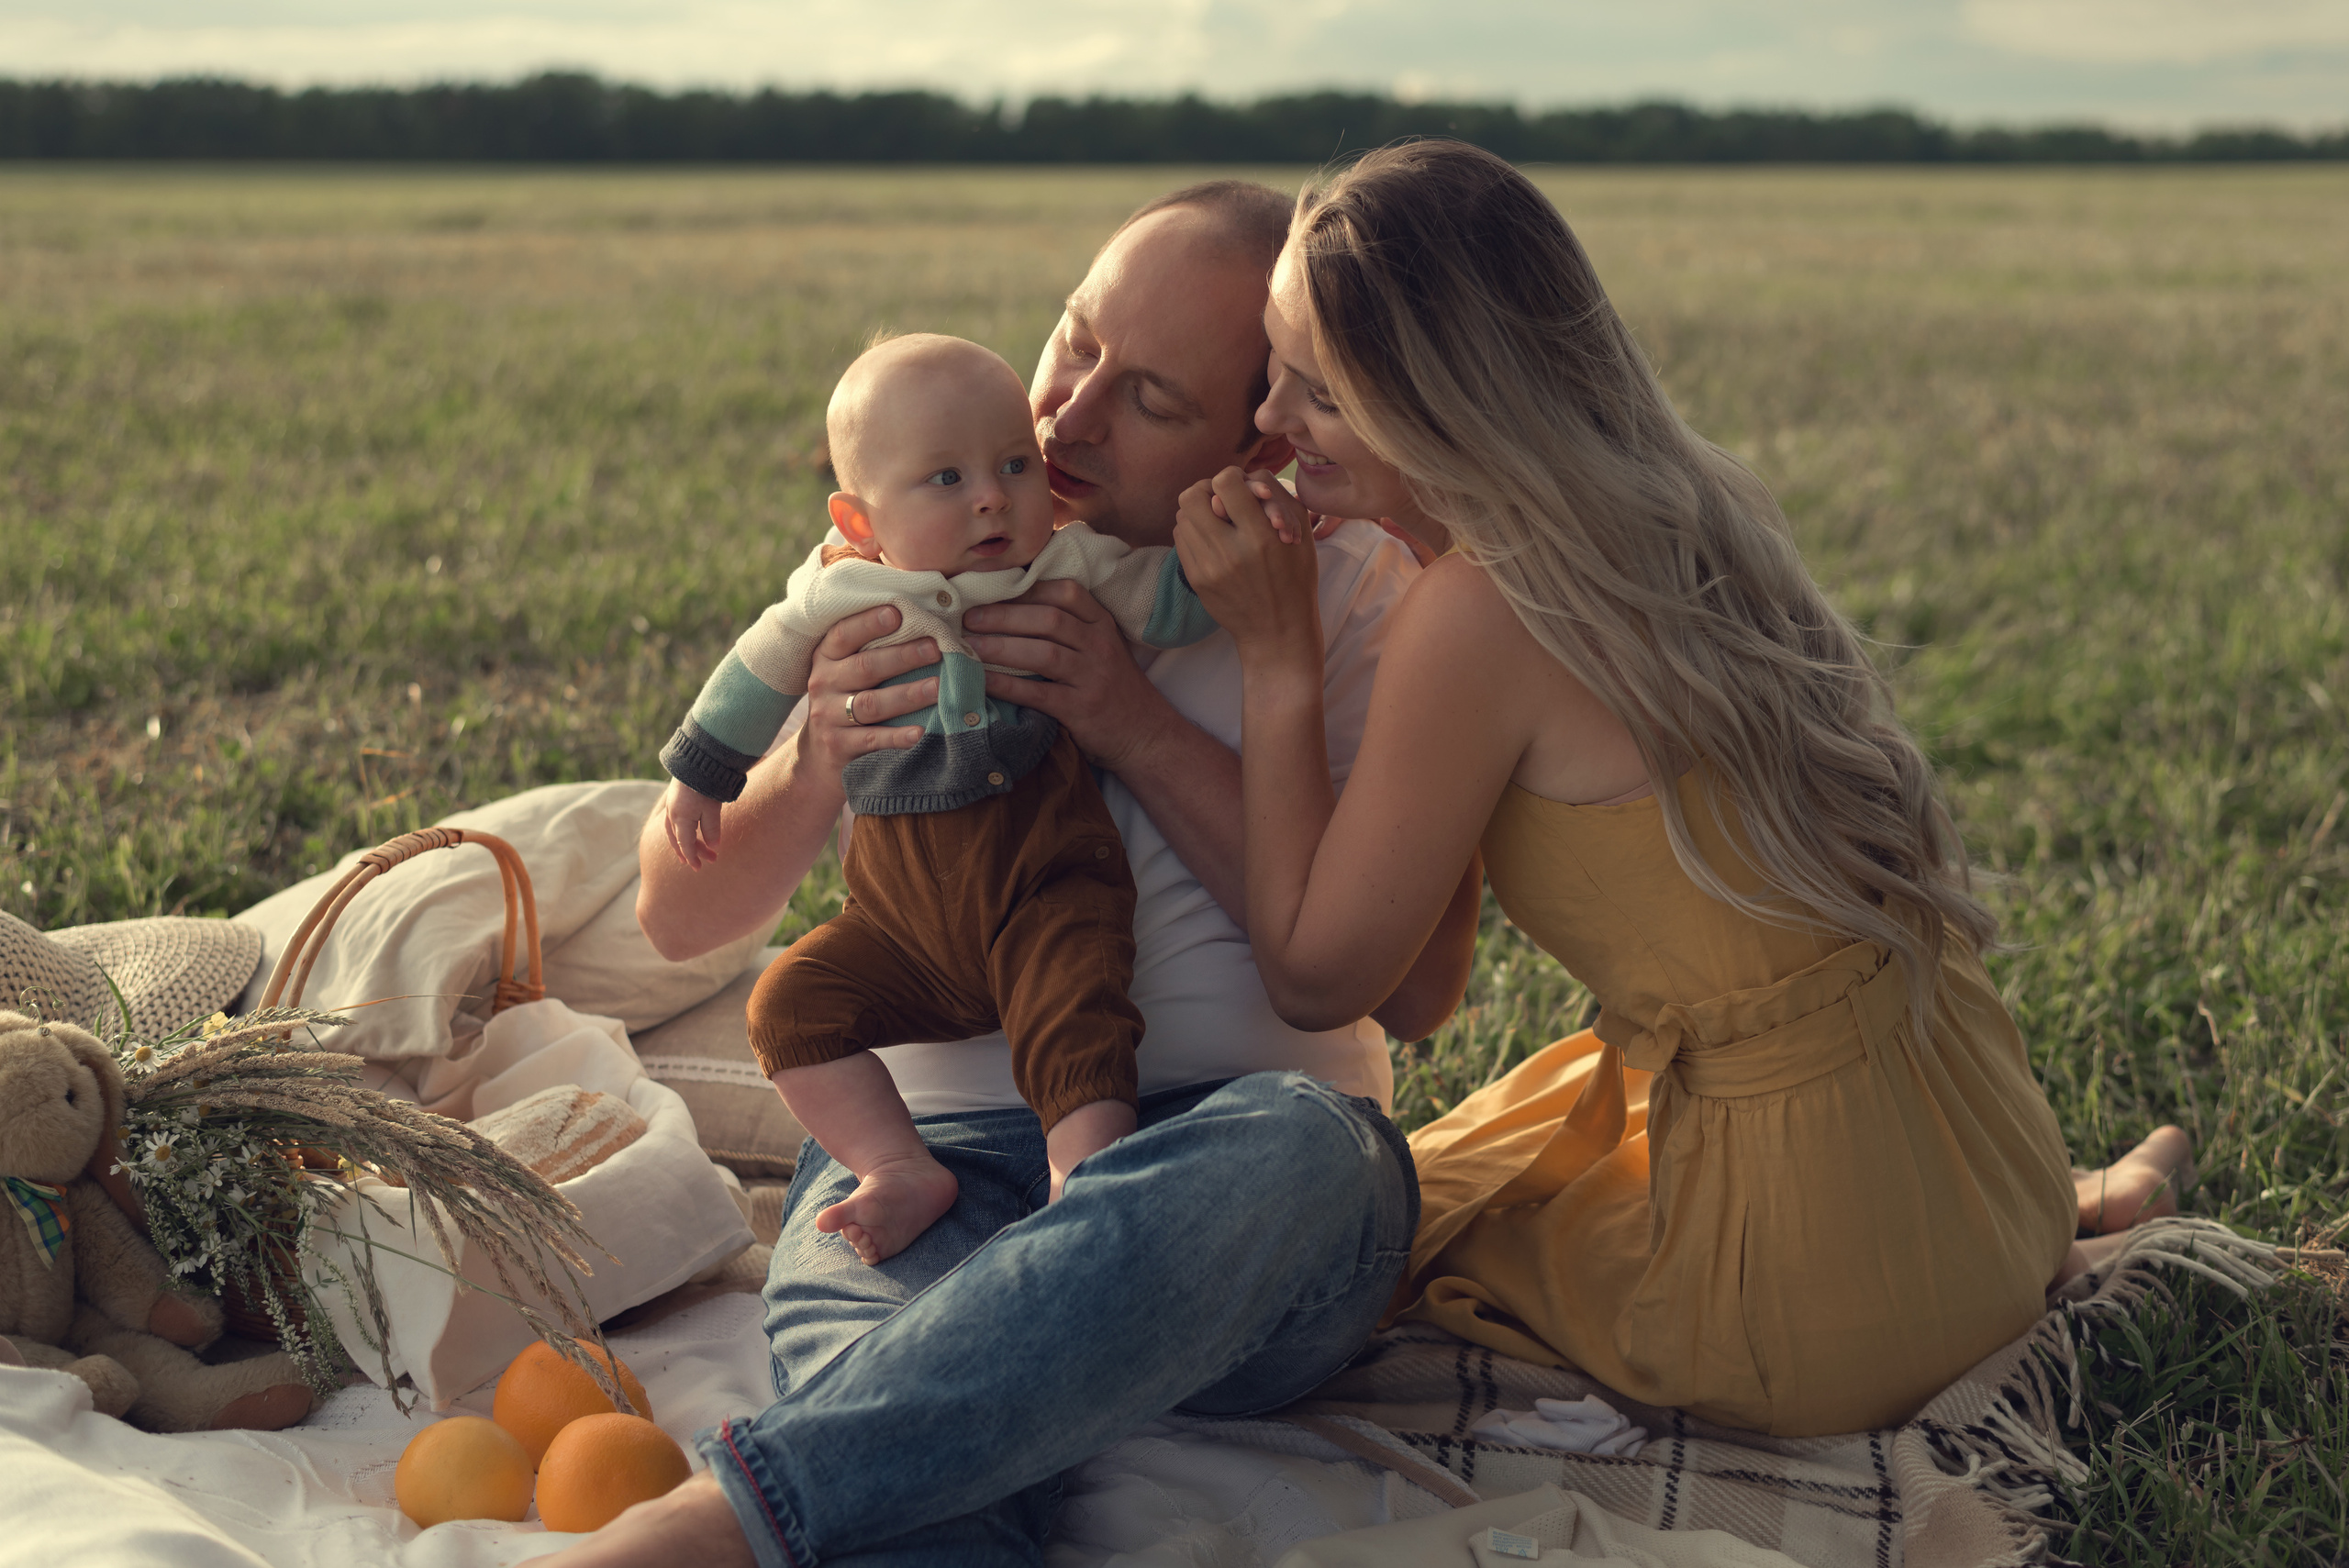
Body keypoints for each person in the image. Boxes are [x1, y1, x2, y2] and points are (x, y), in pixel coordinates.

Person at [1174, 140, 2190, 1440]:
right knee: (1503, 1163)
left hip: (1804, 1282)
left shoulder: (1477, 613)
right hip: (1966, 1148)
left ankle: (2027, 1247)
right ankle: (2080, 1216)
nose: (1266, 425)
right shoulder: (1678, 504)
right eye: (1271, 374)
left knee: (1427, 1243)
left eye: (1315, 395)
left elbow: (1321, 978)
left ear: (1441, 404)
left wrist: (1274, 657)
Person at [551, 181, 1478, 1567]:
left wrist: (1135, 722)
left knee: (1299, 1146)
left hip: (1230, 1185)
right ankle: (932, 1431)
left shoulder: (1355, 594)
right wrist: (816, 769)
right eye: (1076, 335)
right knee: (908, 1440)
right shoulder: (926, 523)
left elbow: (1413, 993)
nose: (1067, 418)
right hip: (930, 1167)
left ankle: (724, 1519)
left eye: (1152, 398)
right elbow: (685, 918)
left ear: (1263, 441)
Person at [653, 332, 1231, 1265]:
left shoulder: (1063, 565)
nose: (992, 496)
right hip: (901, 929)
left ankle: (1083, 1194)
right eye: (946, 479)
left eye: (1012, 465)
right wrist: (701, 776)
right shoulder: (837, 595)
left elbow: (1170, 598)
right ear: (858, 517)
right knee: (789, 1001)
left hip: (1045, 891)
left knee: (1077, 1012)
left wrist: (1231, 570)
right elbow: (752, 673)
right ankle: (895, 1165)